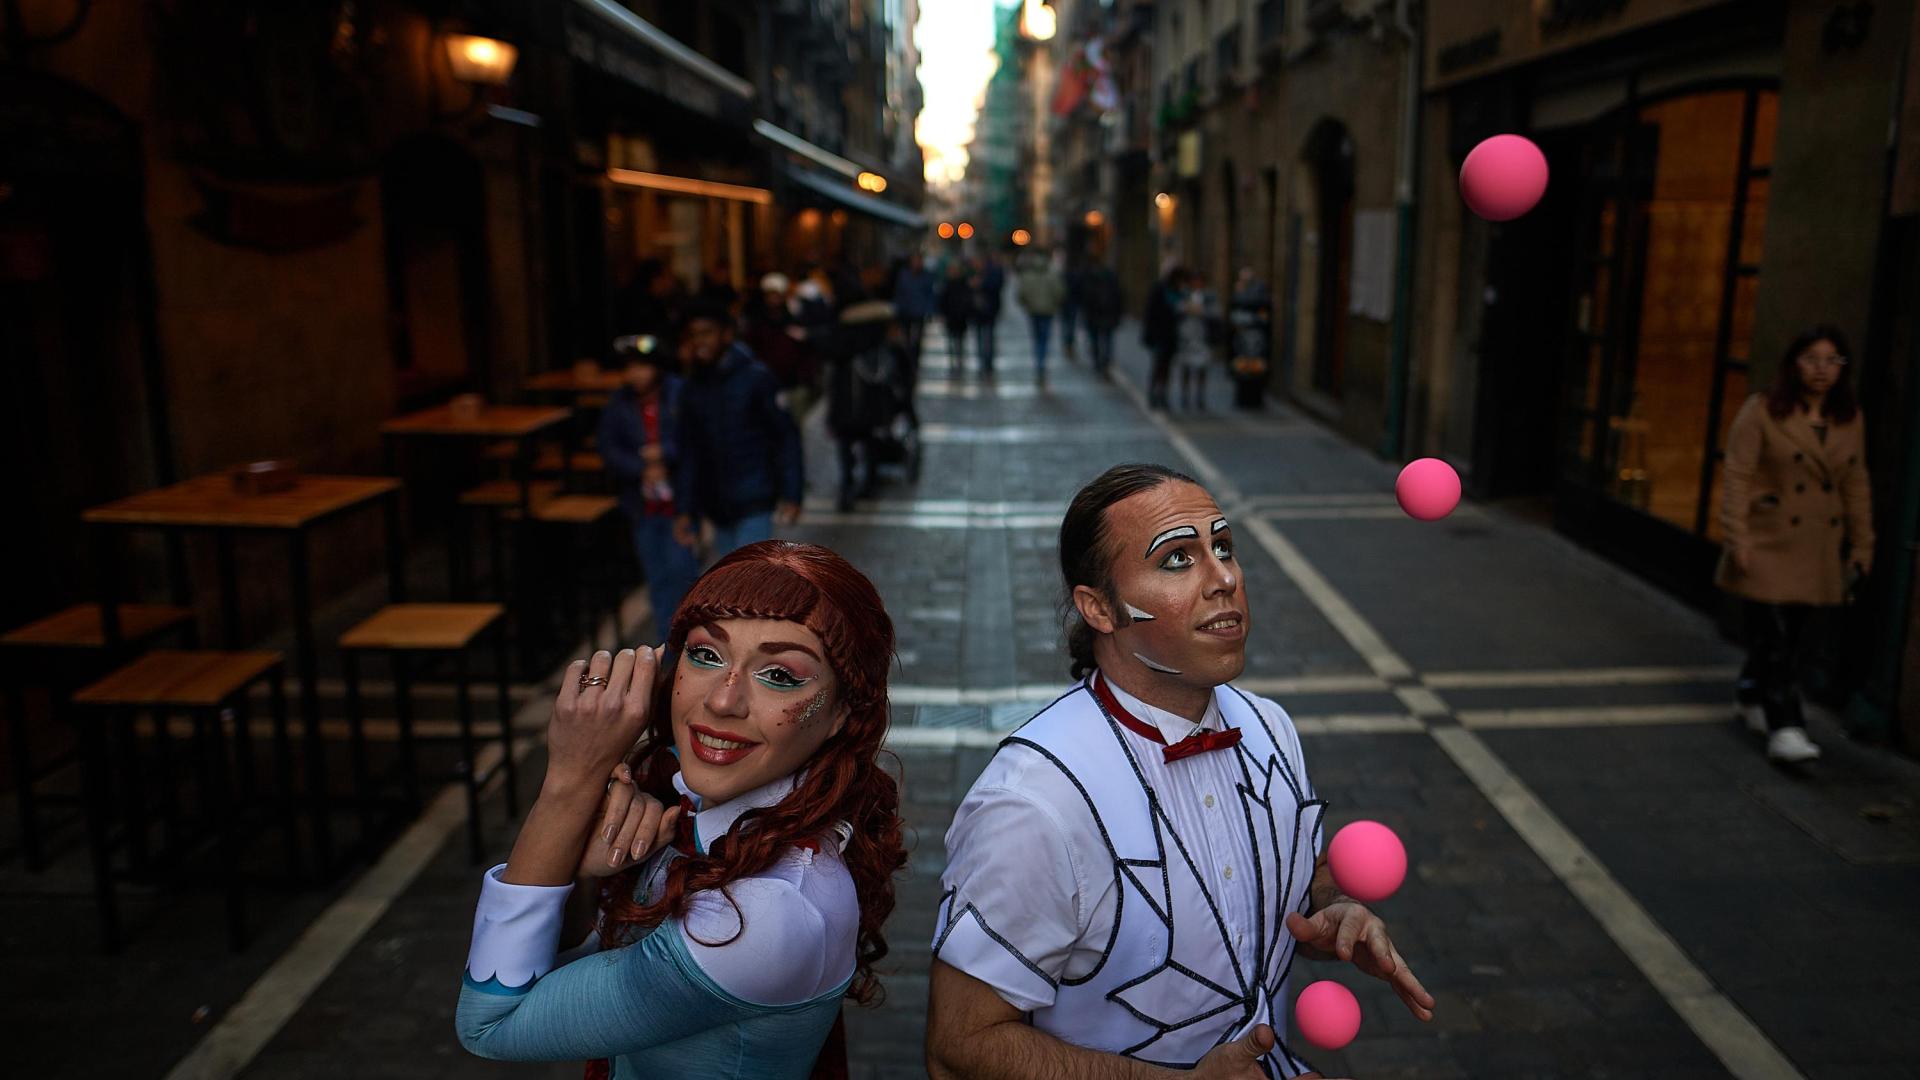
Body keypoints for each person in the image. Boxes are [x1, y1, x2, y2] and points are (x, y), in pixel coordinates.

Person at [927, 463, 1434, 1079]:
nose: (1224, 579)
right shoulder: (1035, 802)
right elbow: (960, 1044)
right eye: (1177, 559)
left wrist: (1332, 907)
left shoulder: (1269, 726)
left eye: (1223, 547)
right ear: (1100, 609)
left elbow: (1290, 883)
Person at [455, 540, 909, 1080]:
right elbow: (583, 972)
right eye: (706, 655)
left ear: (841, 713)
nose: (723, 700)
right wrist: (577, 870)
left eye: (780, 675)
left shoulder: (762, 915)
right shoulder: (705, 811)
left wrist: (571, 779)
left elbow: (492, 1025)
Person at [1716, 324, 1875, 764]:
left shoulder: (1849, 419)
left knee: (1787, 636)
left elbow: (1856, 484)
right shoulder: (1763, 410)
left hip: (1817, 545)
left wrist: (1863, 545)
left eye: (1832, 361)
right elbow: (1738, 475)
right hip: (1768, 540)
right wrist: (1737, 536)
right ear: (1793, 364)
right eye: (1811, 359)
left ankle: (1750, 694)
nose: (1822, 370)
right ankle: (1786, 726)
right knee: (1779, 639)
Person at [674, 301, 804, 558]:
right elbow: (689, 451)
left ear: (726, 334)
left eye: (707, 332)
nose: (700, 341)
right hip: (717, 505)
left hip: (754, 498)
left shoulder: (756, 377)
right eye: (694, 334)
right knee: (730, 586)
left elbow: (785, 436)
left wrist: (792, 493)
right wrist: (686, 509)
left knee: (748, 581)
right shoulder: (692, 388)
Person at [600, 337, 700, 642]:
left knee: (683, 577)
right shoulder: (619, 403)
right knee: (656, 580)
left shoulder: (679, 394)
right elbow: (608, 448)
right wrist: (640, 466)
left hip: (678, 504)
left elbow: (695, 440)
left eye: (643, 366)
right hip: (642, 506)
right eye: (631, 368)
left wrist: (664, 453)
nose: (637, 375)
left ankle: (691, 647)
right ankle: (665, 652)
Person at [825, 300, 909, 512]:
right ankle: (859, 484)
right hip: (863, 411)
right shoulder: (878, 350)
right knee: (863, 445)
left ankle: (852, 485)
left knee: (853, 448)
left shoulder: (850, 349)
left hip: (851, 410)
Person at [1015, 249, 1067, 386]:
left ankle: (1039, 364)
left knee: (1037, 338)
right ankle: (1041, 364)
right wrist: (1054, 304)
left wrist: (1027, 304)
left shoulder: (1028, 275)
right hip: (1048, 311)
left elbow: (1021, 294)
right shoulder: (1052, 274)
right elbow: (1060, 292)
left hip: (1034, 312)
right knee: (1044, 339)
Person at [1228, 268, 1273, 411]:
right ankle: (1245, 398)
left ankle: (1253, 399)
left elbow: (1264, 317)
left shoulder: (1257, 298)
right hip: (1243, 344)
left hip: (1255, 343)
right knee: (1242, 370)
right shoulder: (1239, 297)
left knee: (1255, 371)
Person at [1175, 271, 1220, 411]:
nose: (1197, 284)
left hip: (1202, 337)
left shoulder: (1209, 296)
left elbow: (1216, 312)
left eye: (1199, 281)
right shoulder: (1184, 294)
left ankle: (1200, 397)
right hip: (1186, 337)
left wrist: (1201, 311)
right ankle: (1185, 396)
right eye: (1194, 281)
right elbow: (1178, 308)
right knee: (1185, 367)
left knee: (1202, 368)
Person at [1142, 264, 1184, 410]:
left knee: (1166, 367)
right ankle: (1154, 393)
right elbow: (1150, 313)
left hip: (1171, 336)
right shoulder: (1160, 290)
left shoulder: (1177, 291)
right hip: (1160, 335)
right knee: (1158, 365)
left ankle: (1162, 394)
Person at [891, 251, 937, 370]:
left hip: (919, 312)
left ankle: (914, 360)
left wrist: (930, 311)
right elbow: (899, 293)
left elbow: (930, 294)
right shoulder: (904, 275)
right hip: (905, 311)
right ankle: (908, 361)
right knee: (906, 338)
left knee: (917, 339)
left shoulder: (926, 276)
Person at [1078, 259, 1123, 379]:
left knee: (1097, 340)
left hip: (1096, 316)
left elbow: (1085, 299)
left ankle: (1099, 361)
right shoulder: (1110, 279)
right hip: (1106, 315)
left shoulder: (1090, 280)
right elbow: (1119, 297)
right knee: (1107, 340)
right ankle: (1105, 362)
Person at [939, 259, 975, 374]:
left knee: (959, 342)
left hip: (961, 318)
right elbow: (942, 301)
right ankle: (953, 363)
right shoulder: (946, 284)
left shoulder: (964, 284)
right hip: (950, 318)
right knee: (951, 342)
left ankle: (959, 363)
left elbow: (968, 300)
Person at [972, 254, 1006, 376]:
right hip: (977, 312)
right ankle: (983, 362)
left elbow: (997, 286)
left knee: (988, 337)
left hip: (989, 311)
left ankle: (988, 362)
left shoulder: (993, 273)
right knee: (981, 338)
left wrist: (981, 284)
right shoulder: (972, 272)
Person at [1059, 255, 1083, 363]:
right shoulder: (1077, 276)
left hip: (1066, 304)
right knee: (1070, 325)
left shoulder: (1063, 276)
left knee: (1067, 325)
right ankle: (1069, 344)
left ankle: (1067, 344)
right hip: (1071, 304)